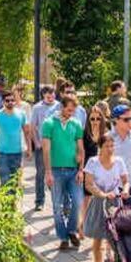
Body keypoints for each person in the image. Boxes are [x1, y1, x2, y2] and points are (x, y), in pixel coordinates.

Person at [41, 94, 85, 251]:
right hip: (56, 171)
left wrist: (81, 170)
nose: (70, 113)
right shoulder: (49, 124)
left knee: (78, 202)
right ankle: (63, 237)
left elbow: (81, 149)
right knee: (57, 206)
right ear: (61, 107)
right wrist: (48, 172)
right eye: (68, 110)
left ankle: (71, 230)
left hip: (74, 171)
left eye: (73, 110)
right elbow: (46, 150)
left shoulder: (76, 124)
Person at [83, 134, 129, 262]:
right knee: (98, 236)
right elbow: (88, 184)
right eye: (106, 146)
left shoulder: (119, 161)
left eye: (112, 146)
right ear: (100, 148)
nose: (110, 149)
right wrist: (102, 194)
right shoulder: (93, 162)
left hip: (115, 201)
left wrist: (126, 190)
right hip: (99, 201)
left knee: (116, 236)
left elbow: (126, 180)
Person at [0, 89, 33, 190]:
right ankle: (6, 204)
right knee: (5, 181)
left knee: (15, 182)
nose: (10, 103)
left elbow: (27, 132)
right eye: (7, 100)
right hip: (2, 153)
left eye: (12, 100)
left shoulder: (21, 114)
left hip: (17, 153)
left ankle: (12, 205)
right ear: (3, 102)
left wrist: (29, 148)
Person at [79, 107, 109, 237]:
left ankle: (98, 229)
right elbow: (81, 153)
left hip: (103, 171)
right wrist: (80, 170)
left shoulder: (107, 133)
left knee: (100, 201)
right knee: (86, 200)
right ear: (88, 119)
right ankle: (83, 226)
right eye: (92, 118)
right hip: (88, 171)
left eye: (98, 118)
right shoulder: (84, 133)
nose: (95, 121)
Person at [107, 104, 131, 201]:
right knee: (112, 216)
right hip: (111, 188)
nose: (130, 122)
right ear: (115, 120)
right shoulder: (106, 138)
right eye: (126, 119)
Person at [30, 86, 60, 211]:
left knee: (56, 174)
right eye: (48, 95)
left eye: (52, 94)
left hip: (57, 146)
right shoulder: (37, 108)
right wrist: (36, 142)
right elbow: (33, 126)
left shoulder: (59, 106)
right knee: (41, 173)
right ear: (43, 95)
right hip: (42, 146)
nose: (51, 97)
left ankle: (56, 200)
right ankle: (39, 201)